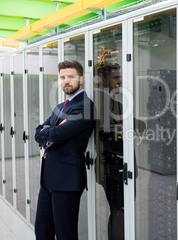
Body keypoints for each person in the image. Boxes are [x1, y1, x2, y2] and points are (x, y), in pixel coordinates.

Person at [34, 60, 95, 240]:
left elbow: (58, 134)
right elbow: (39, 132)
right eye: (62, 77)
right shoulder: (61, 106)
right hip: (48, 178)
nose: (66, 81)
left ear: (81, 79)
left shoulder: (85, 106)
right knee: (42, 228)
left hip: (67, 179)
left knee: (65, 233)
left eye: (71, 77)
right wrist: (49, 133)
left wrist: (50, 133)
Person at [94, 57, 145, 240]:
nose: (120, 81)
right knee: (120, 211)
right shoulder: (102, 103)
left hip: (116, 167)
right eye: (115, 77)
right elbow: (134, 127)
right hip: (116, 170)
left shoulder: (111, 102)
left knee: (119, 211)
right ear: (102, 78)